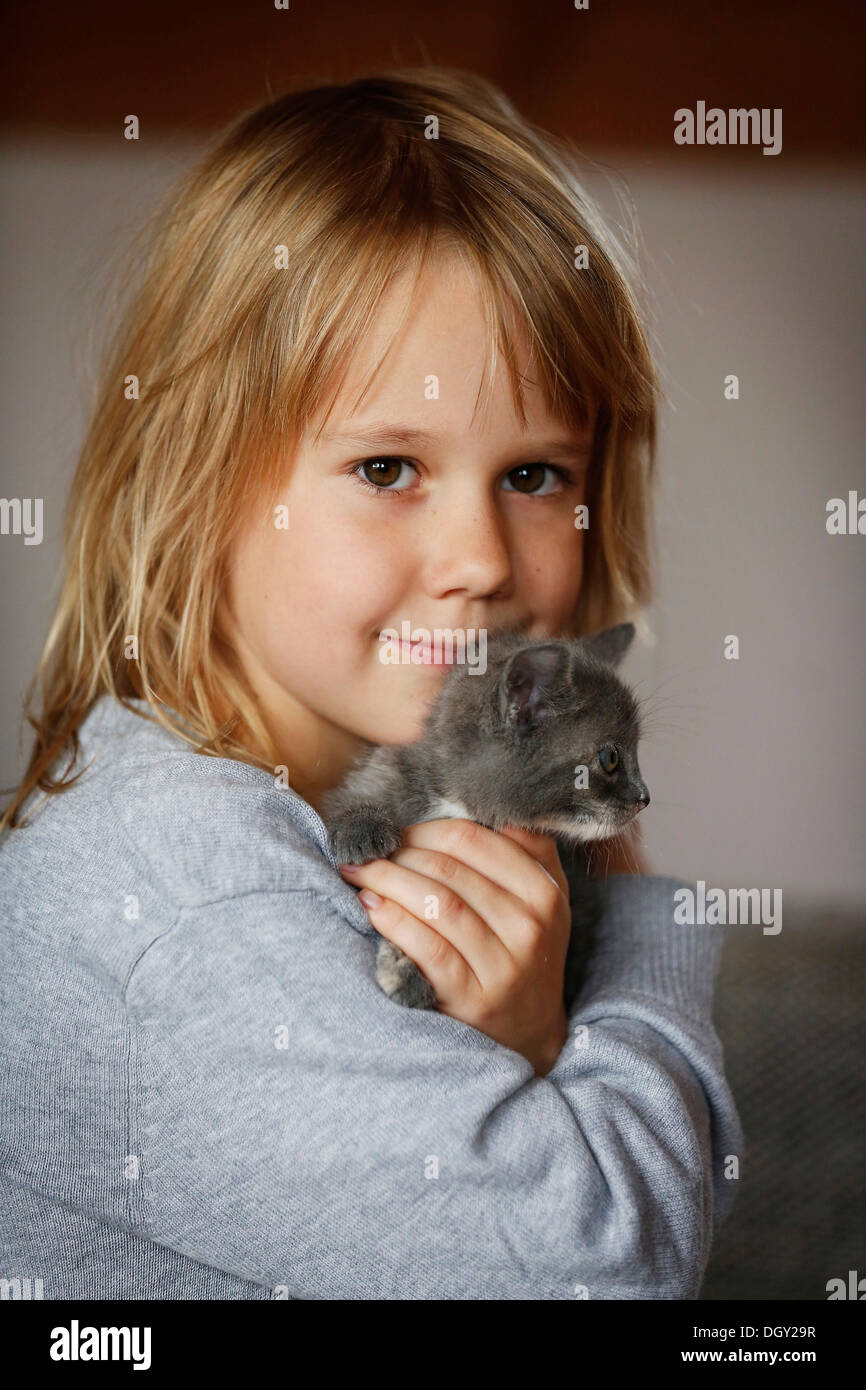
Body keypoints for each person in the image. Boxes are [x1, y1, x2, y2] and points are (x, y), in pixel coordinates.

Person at [0, 68, 741, 1299]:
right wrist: (635, 929)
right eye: (388, 465)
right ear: (196, 484)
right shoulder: (197, 906)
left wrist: (522, 1047)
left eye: (533, 474)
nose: (480, 562)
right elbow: (602, 1276)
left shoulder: (362, 811)